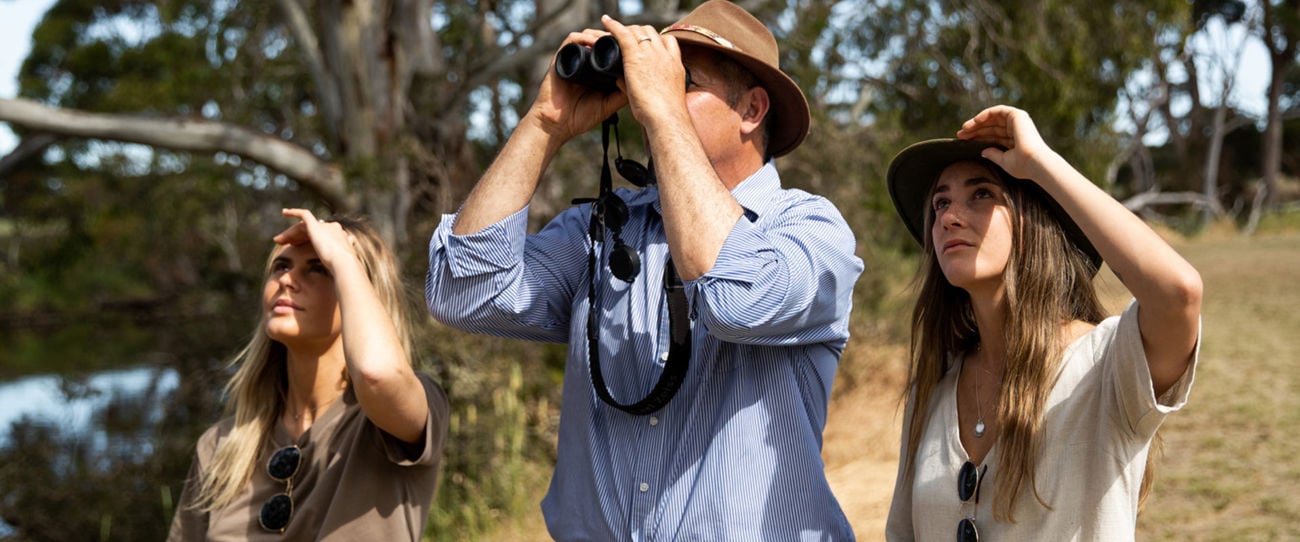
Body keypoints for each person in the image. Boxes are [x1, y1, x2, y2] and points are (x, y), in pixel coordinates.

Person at [425, 1, 862, 540]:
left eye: (683, 81)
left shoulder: (809, 229)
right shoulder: (605, 228)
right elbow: (462, 291)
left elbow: (734, 300)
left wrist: (664, 113)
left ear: (751, 110)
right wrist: (545, 124)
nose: (645, 97)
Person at [883, 105, 1202, 540]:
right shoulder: (933, 388)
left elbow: (1178, 292)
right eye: (940, 202)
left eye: (981, 194)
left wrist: (1040, 163)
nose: (948, 217)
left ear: (1035, 224)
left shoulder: (1104, 364)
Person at [168, 209, 449, 541]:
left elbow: (377, 373)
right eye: (281, 266)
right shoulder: (220, 446)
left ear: (358, 291)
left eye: (319, 268)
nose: (287, 280)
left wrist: (342, 257)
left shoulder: (393, 419)